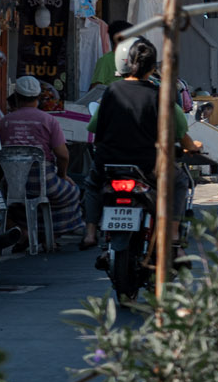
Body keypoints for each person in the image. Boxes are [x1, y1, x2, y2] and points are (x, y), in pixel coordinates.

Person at [86, 36, 203, 269]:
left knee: (92, 184)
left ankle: (90, 232)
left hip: (109, 163)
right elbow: (181, 133)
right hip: (149, 166)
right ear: (152, 68)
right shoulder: (160, 95)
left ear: (128, 63)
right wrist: (192, 147)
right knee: (180, 182)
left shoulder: (111, 92)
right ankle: (173, 237)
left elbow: (94, 127)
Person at [0, 76, 86, 246]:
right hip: (45, 184)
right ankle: (51, 235)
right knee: (73, 191)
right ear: (38, 98)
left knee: (1, 203)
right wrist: (63, 175)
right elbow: (63, 155)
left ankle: (24, 231)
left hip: (11, 187)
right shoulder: (48, 120)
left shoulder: (4, 122)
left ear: (16, 97)